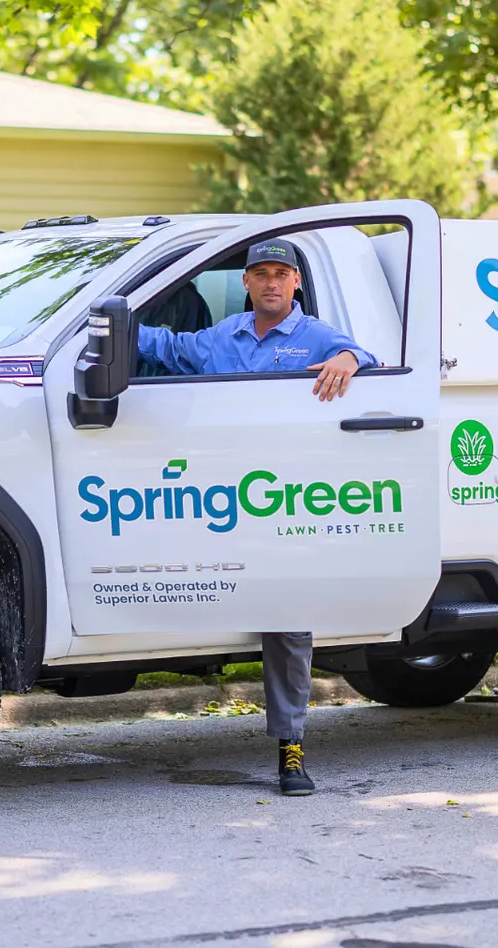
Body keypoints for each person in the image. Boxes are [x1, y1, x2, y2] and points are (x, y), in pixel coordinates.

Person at [137, 238, 376, 797]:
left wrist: (349, 360)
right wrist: (102, 319)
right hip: (217, 496)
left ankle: (290, 750)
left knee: (288, 621)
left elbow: (362, 356)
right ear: (246, 283)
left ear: (296, 283)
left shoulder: (317, 336)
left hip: (283, 502)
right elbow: (169, 347)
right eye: (261, 274)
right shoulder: (224, 336)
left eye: (281, 274)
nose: (271, 283)